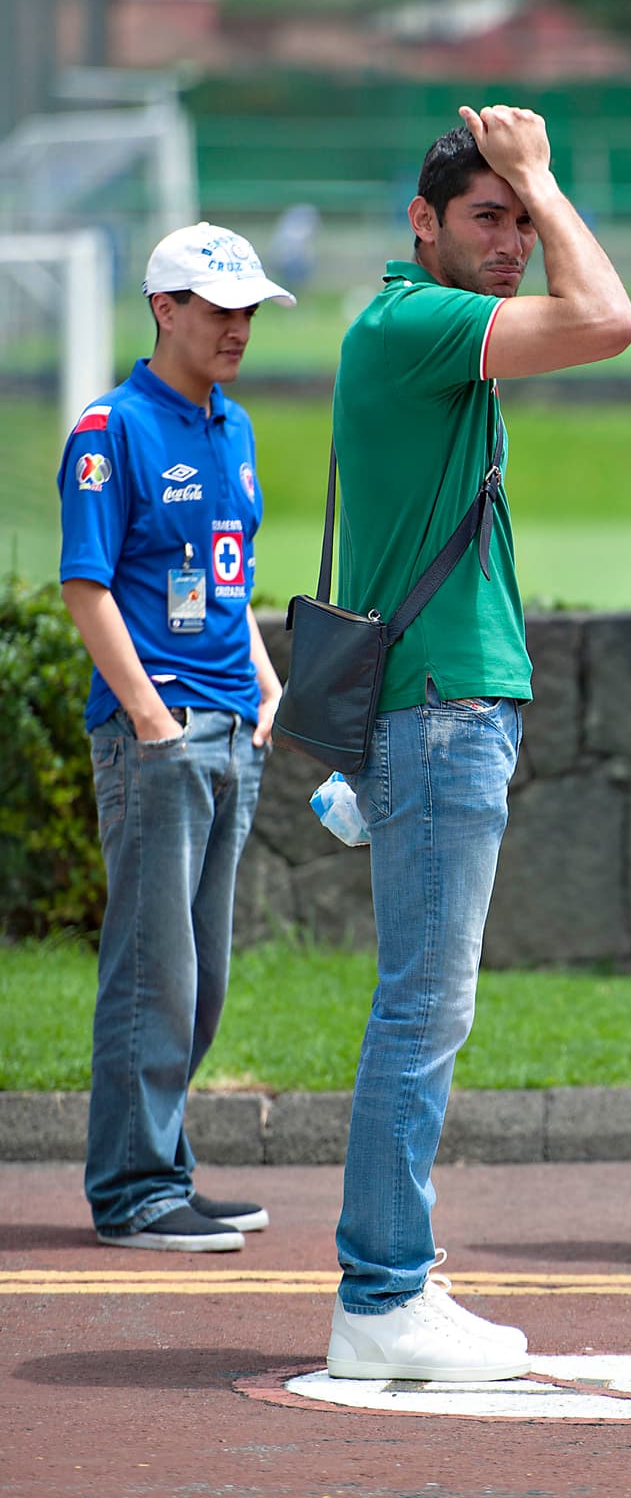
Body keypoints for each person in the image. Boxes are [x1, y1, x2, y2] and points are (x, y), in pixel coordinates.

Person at [325, 103, 631, 1382]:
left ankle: (397, 1281)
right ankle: (380, 1295)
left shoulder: (422, 332)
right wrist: (549, 178)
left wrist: (524, 185)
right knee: (421, 1011)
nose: (512, 239)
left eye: (520, 219)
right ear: (424, 225)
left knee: (424, 1006)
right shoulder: (414, 324)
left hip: (443, 704)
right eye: (488, 217)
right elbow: (611, 320)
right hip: (440, 708)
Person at [57, 222, 294, 1252]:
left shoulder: (232, 428)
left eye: (247, 309)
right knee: (154, 971)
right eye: (217, 307)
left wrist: (269, 683)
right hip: (159, 738)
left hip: (232, 727)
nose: (236, 327)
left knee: (200, 980)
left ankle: (165, 1171)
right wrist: (150, 716)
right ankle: (133, 1190)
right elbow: (86, 585)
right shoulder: (109, 428)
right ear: (165, 308)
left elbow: (229, 581)